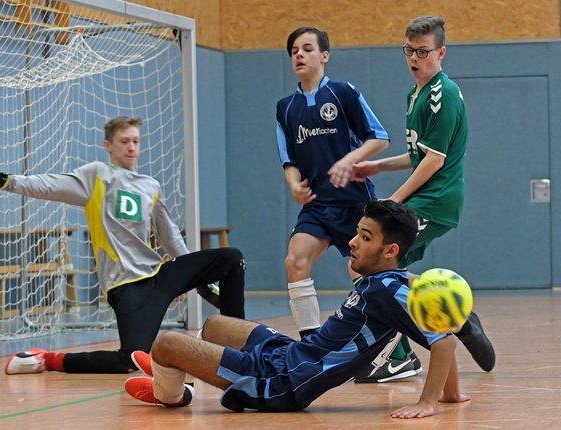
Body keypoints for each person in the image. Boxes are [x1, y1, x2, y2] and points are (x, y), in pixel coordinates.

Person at [123, 200, 471, 418]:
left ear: (390, 250)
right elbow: (441, 328)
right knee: (216, 325)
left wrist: (429, 402)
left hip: (284, 382)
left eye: (366, 238)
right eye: (357, 233)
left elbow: (444, 341)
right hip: (291, 354)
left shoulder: (391, 292)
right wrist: (451, 394)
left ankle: (173, 391)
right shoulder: (388, 280)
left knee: (166, 344)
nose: (353, 241)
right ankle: (177, 369)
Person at [0, 116, 246, 374]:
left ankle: (241, 346)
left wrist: (198, 280)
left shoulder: (150, 185)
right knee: (130, 360)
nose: (131, 147)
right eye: (124, 141)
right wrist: (5, 181)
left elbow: (169, 235)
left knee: (232, 258)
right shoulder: (97, 176)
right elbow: (51, 185)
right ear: (108, 145)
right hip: (126, 287)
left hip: (158, 276)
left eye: (135, 141)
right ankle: (46, 359)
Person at [350, 16, 495, 383]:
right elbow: (418, 154)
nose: (414, 58)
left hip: (437, 199)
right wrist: (378, 165)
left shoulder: (443, 94)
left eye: (423, 52)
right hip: (425, 197)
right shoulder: (416, 93)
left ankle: (400, 355)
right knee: (386, 271)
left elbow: (434, 161)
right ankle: (456, 318)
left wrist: (391, 205)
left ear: (441, 52)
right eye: (409, 51)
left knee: (370, 260)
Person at [276, 27, 390, 339]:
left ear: (324, 55)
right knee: (295, 261)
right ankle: (310, 342)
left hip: (355, 202)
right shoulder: (286, 107)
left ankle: (392, 344)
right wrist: (294, 185)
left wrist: (348, 160)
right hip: (317, 205)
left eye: (307, 48)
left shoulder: (343, 93)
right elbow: (289, 161)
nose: (299, 55)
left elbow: (379, 138)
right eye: (294, 51)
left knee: (366, 272)